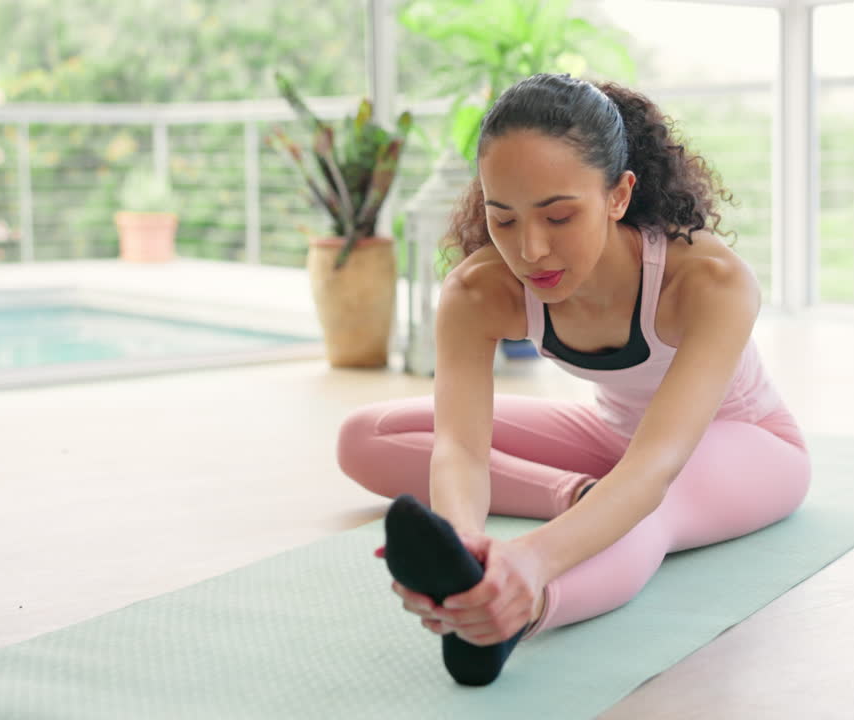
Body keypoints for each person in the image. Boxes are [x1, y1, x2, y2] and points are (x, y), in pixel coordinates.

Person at [337, 73, 811, 685]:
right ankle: (575, 501)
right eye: (502, 220)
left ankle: (516, 615)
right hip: (613, 436)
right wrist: (464, 548)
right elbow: (459, 448)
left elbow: (653, 468)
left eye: (559, 216)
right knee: (366, 435)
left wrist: (527, 565)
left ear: (618, 196)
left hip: (743, 444)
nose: (530, 250)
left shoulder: (709, 282)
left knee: (648, 507)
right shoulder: (479, 292)